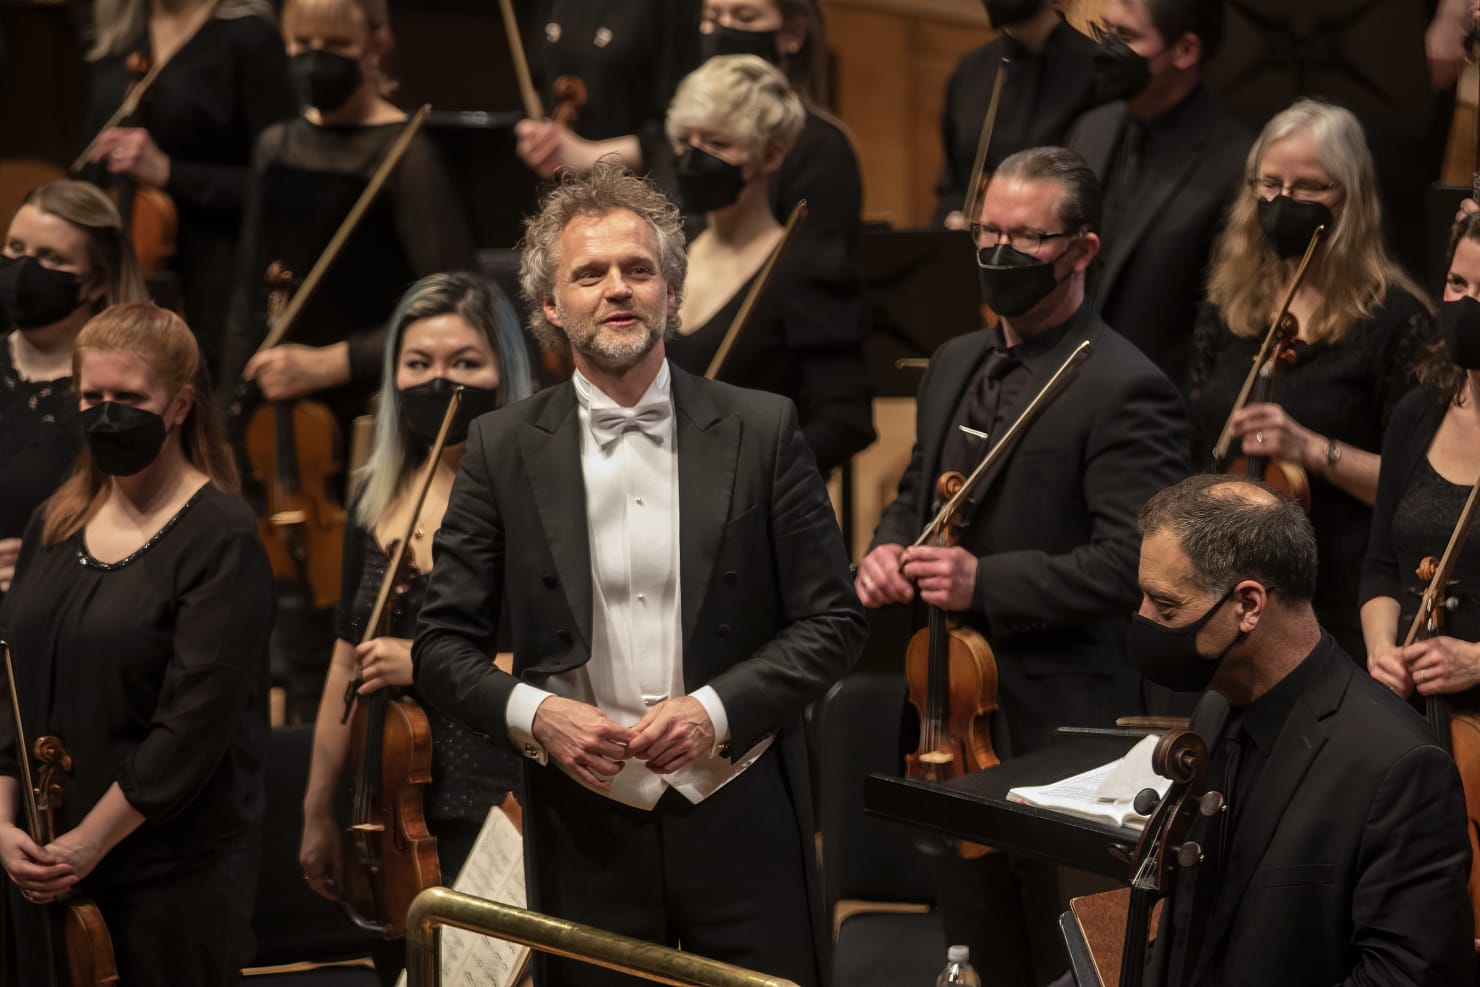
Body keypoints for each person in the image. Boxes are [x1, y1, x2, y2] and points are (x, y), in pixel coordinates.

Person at [412, 161, 865, 987]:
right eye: (590, 273)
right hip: (584, 823)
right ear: (551, 305)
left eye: (638, 269)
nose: (617, 288)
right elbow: (440, 644)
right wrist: (538, 711)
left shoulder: (763, 429)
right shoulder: (502, 445)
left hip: (743, 805)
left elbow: (834, 622)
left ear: (672, 296)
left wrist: (715, 708)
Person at [856, 146, 1190, 986]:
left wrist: (984, 581)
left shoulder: (1125, 387)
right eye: (988, 232)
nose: (999, 254)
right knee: (973, 954)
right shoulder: (954, 363)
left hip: (1061, 733)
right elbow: (913, 494)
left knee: (1060, 963)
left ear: (1082, 249)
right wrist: (890, 547)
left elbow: (1130, 567)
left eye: (1026, 239)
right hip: (952, 721)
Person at [217, 0, 477, 724]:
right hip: (277, 424)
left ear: (377, 43)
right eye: (301, 42)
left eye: (334, 42)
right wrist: (224, 417)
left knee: (334, 630)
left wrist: (331, 361)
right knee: (277, 623)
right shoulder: (274, 145)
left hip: (368, 413)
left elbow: (453, 304)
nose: (314, 57)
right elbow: (246, 297)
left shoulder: (410, 152)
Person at [0, 303, 274, 986]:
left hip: (164, 876)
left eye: (128, 398)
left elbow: (190, 729)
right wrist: (2, 823)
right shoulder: (54, 521)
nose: (104, 412)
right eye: (92, 396)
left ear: (179, 404)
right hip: (38, 860)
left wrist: (87, 843)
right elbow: (10, 682)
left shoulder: (222, 537)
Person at [1131, 474, 1473, 986]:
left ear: (1248, 605)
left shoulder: (1398, 767)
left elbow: (1405, 977)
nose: (1143, 620)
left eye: (1166, 606)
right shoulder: (1215, 709)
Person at [299, 273, 531, 986]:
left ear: (503, 372)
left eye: (465, 363)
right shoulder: (377, 500)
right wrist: (317, 809)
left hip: (495, 795)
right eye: (419, 364)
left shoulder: (530, 499)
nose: (441, 382)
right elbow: (346, 663)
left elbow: (560, 667)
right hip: (389, 810)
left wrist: (424, 662)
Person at [1187, 99, 1436, 663]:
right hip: (1233, 595)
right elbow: (1198, 444)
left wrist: (1310, 449)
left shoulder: (1396, 321)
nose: (1283, 202)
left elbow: (1420, 489)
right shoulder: (1229, 304)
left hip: (1342, 601)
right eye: (1269, 183)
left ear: (1350, 196)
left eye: (1308, 188)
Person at [663, 54, 873, 474]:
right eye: (686, 140)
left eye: (718, 144)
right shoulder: (667, 254)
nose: (694, 157)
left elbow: (846, 421)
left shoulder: (807, 268)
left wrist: (753, 475)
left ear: (771, 154)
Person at [82, 0, 297, 367]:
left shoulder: (249, 38)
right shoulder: (119, 37)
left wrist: (170, 172)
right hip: (118, 270)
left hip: (211, 282)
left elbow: (280, 188)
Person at [1066, 0, 1250, 382]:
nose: (1106, 49)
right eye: (1104, 32)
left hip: (1156, 402)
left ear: (1184, 51)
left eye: (1126, 36)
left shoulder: (1236, 162)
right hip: (1067, 385)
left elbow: (1222, 325)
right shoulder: (1091, 128)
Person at [0, 180, 149, 594]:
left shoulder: (126, 392)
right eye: (14, 249)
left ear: (96, 282)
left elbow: (156, 526)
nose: (23, 270)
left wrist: (51, 569)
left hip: (71, 610)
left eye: (51, 258)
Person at [1361, 211, 1480, 706]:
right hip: (1413, 712)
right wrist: (1381, 650)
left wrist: (1477, 660)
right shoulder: (1419, 410)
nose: (1467, 304)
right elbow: (1382, 564)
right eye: (1457, 282)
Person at [697, 0, 862, 241]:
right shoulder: (692, 133)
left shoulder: (822, 148)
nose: (723, 30)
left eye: (744, 18)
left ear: (793, 34)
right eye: (712, 18)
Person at [932, 0, 1102, 228]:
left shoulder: (1097, 70)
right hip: (972, 248)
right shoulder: (971, 69)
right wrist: (951, 215)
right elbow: (952, 181)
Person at [514, 0, 703, 189]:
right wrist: (535, 138)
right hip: (560, 189)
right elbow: (539, 83)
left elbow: (680, 126)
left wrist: (590, 155)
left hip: (639, 191)